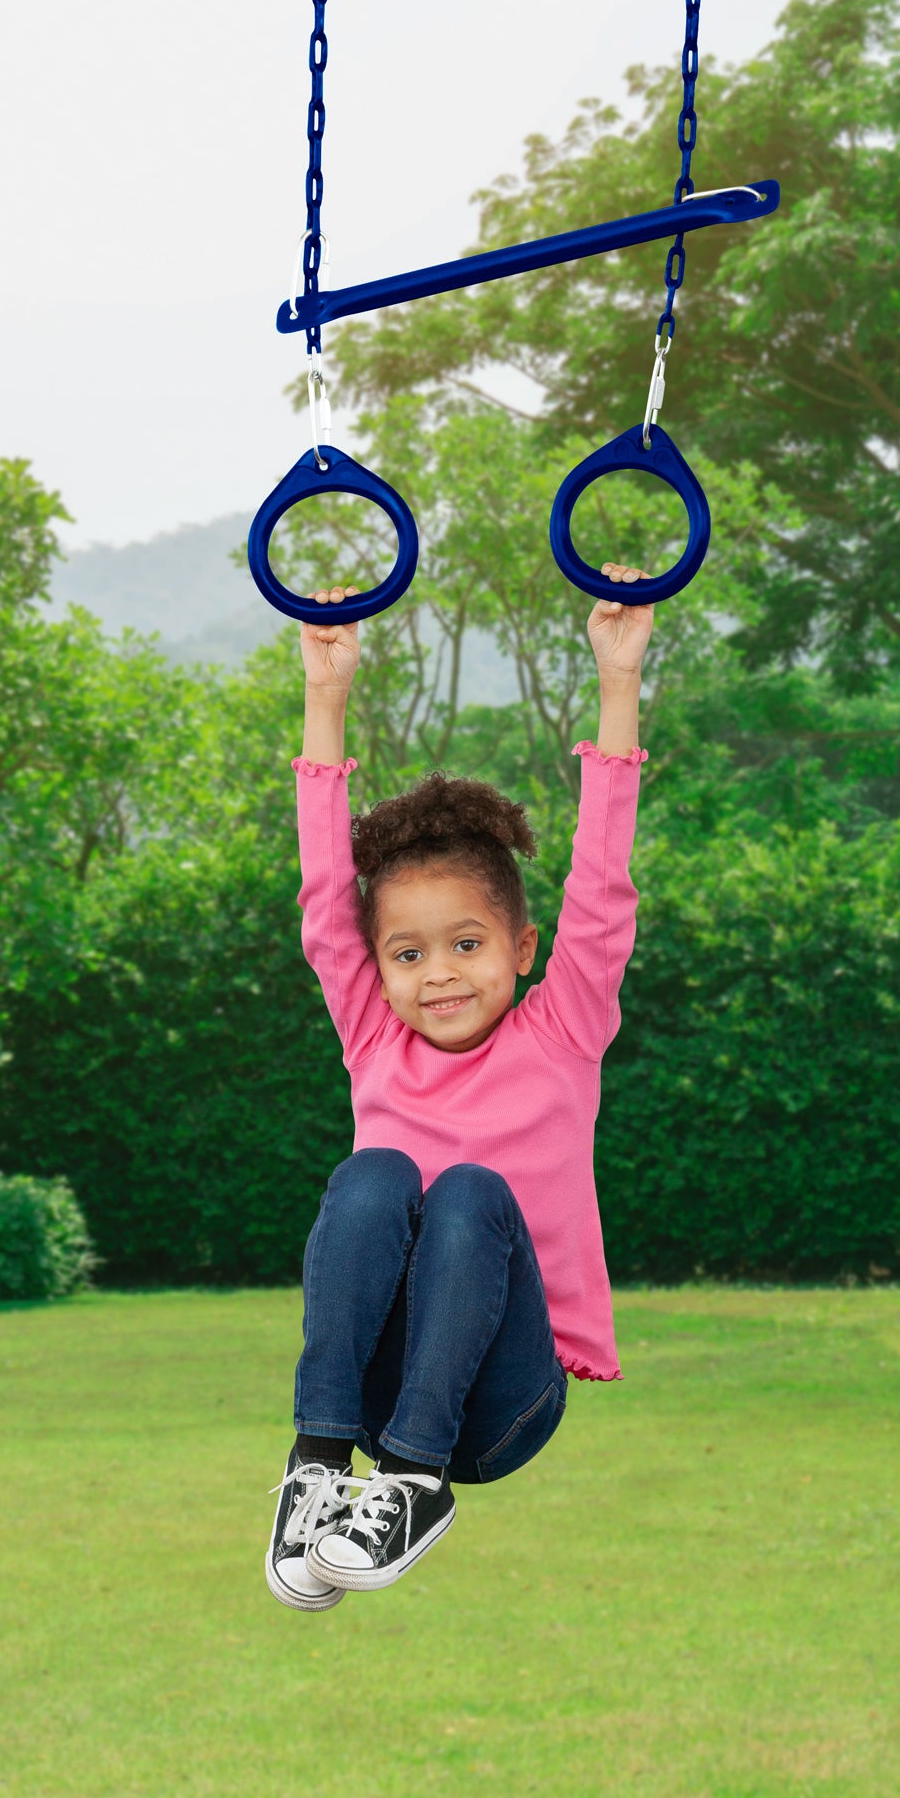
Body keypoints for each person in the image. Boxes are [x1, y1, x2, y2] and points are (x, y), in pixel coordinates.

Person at [266, 564, 655, 1612]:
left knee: (472, 1191)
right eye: (406, 952)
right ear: (375, 962)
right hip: (382, 1388)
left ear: (522, 948)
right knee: (374, 1170)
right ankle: (316, 1471)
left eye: (467, 943)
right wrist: (325, 690)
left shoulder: (563, 1028)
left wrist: (616, 674)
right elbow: (319, 897)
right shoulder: (371, 1036)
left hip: (499, 1402)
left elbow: (602, 885)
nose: (435, 972)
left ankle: (415, 1488)